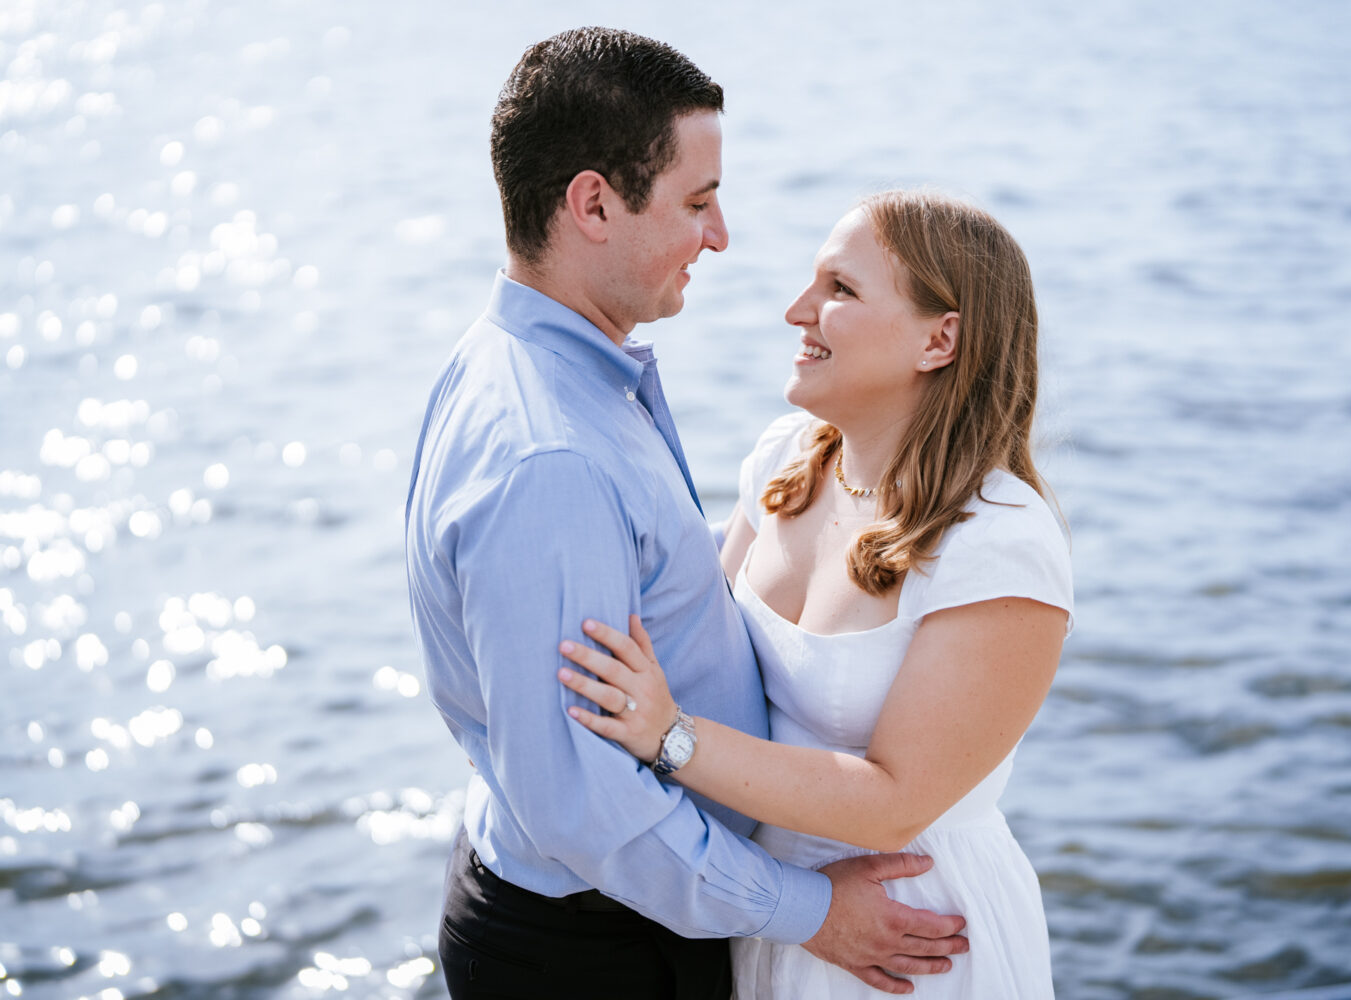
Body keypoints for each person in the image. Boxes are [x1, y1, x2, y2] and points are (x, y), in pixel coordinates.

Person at [404, 28, 968, 1000]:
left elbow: (629, 580)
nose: (721, 235)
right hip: (597, 950)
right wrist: (810, 912)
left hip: (607, 916)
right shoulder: (552, 460)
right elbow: (586, 802)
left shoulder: (522, 363)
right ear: (592, 203)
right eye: (697, 202)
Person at [556, 189, 1074, 998]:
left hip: (911, 936)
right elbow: (694, 640)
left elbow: (894, 804)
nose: (798, 310)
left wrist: (671, 736)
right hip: (776, 909)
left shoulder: (1001, 542)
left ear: (940, 339)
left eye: (841, 289)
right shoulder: (788, 459)